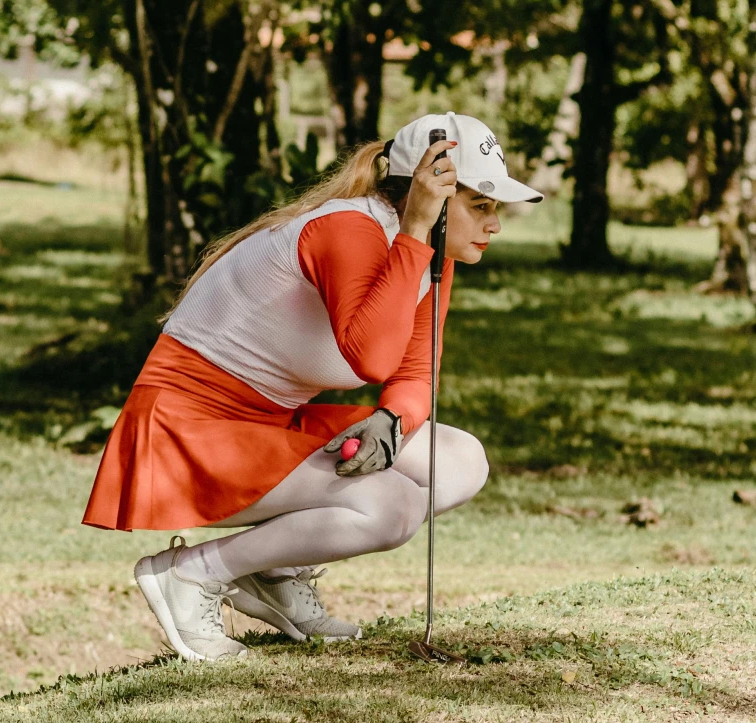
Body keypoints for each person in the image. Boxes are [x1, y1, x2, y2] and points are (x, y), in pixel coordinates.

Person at [83, 111, 541, 660]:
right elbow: (372, 357)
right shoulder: (350, 229)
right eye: (481, 206)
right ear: (427, 194)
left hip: (268, 425)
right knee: (393, 507)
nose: (495, 225)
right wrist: (417, 232)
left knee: (462, 460)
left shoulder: (423, 258)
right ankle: (193, 575)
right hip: (186, 435)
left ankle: (273, 569)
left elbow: (416, 375)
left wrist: (392, 422)